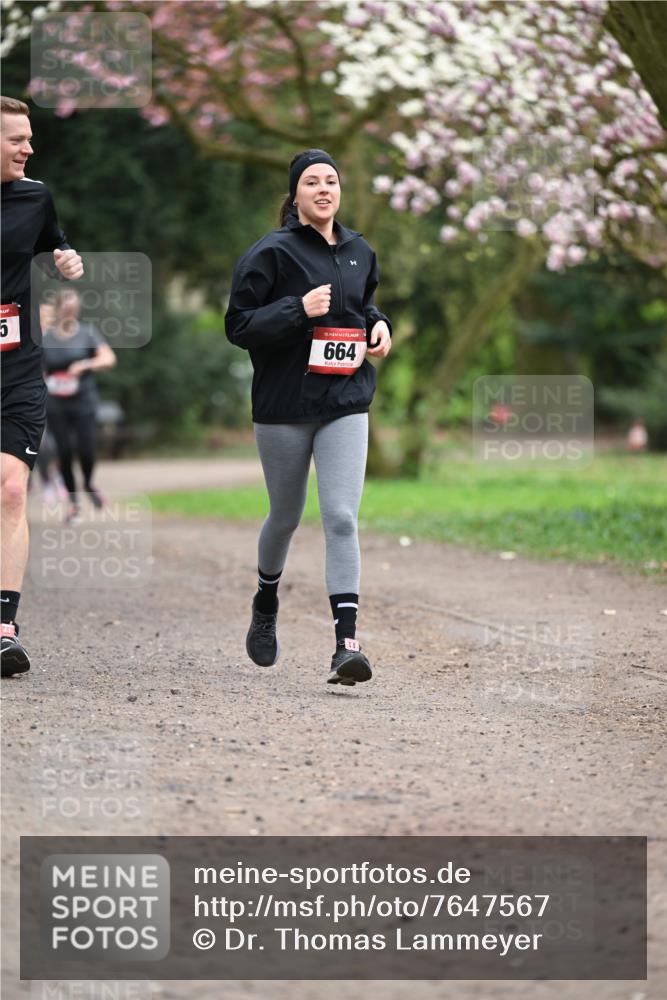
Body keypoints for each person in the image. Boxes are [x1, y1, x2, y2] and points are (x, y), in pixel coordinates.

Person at [225, 148, 392, 686]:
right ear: (294, 195)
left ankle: (347, 644)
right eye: (313, 182)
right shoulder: (270, 253)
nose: (324, 189)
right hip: (284, 406)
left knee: (341, 517)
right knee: (286, 516)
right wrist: (298, 309)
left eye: (332, 181)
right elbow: (238, 325)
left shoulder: (359, 250)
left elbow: (362, 304)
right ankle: (266, 598)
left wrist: (379, 324)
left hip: (345, 400)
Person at [1, 96, 84, 677]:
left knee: (10, 490)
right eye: (16, 140)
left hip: (17, 367)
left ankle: (4, 628)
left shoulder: (35, 196)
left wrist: (64, 260)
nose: (29, 148)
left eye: (29, 138)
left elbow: (52, 243)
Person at [43, 288, 116, 520]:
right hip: (55, 402)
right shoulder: (46, 337)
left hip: (84, 400)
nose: (69, 311)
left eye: (73, 307)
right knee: (64, 452)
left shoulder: (88, 333)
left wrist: (84, 365)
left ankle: (89, 483)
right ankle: (73, 504)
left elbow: (109, 358)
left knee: (86, 450)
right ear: (58, 308)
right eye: (65, 307)